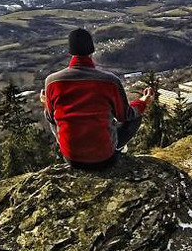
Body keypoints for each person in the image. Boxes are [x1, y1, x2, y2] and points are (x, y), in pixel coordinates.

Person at [41, 28, 153, 168]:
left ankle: (70, 148)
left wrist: (46, 104)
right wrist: (143, 102)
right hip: (105, 158)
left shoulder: (52, 81)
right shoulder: (110, 81)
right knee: (136, 115)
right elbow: (126, 115)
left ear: (70, 52)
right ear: (92, 51)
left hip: (72, 159)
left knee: (53, 116)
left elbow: (51, 118)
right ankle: (116, 149)